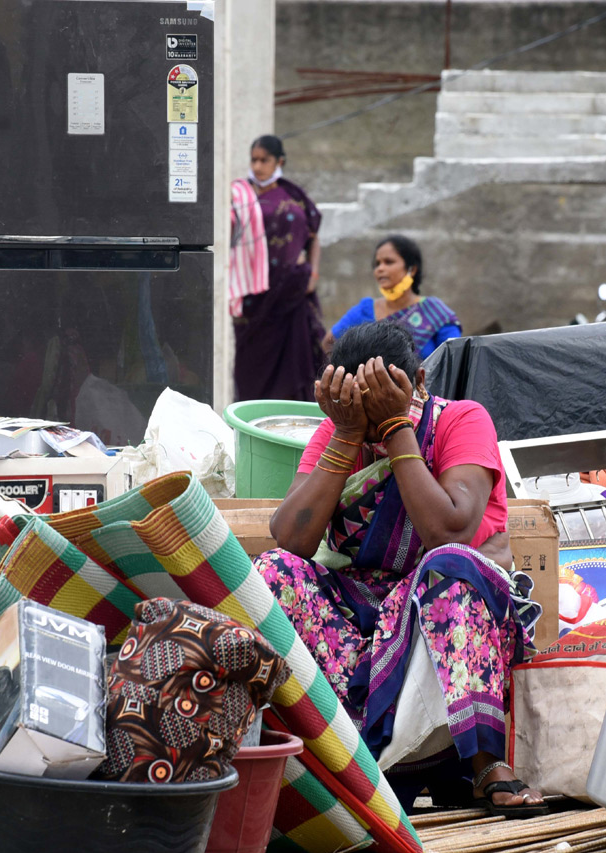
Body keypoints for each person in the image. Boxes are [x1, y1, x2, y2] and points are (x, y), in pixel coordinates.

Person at [256, 319, 548, 817]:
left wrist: (397, 430)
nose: (373, 429)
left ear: (419, 381)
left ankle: (484, 764)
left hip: (449, 619)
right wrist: (347, 433)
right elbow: (292, 538)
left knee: (448, 566)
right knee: (273, 572)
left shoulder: (461, 420)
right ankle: (343, 754)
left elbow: (450, 531)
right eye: (361, 413)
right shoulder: (340, 433)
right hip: (363, 622)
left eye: (384, 406)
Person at [233, 135, 325, 402]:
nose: (259, 166)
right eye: (254, 160)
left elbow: (313, 235)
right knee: (250, 367)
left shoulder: (294, 196)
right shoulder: (240, 195)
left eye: (265, 160)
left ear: (279, 161)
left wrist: (314, 274)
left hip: (291, 294)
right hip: (253, 299)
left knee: (294, 364)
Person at [323, 235, 460, 359]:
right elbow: (329, 342)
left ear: (411, 269)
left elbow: (455, 358)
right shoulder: (365, 310)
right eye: (377, 264)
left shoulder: (433, 311)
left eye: (388, 262)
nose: (380, 269)